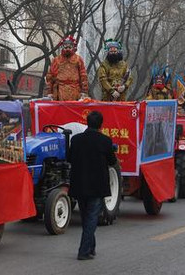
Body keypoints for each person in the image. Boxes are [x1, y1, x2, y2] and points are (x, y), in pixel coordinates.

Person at [68, 111, 117, 260]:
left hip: (79, 184)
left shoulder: (76, 140)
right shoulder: (105, 141)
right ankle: (83, 251)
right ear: (101, 125)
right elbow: (112, 162)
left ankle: (91, 248)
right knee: (91, 219)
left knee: (86, 217)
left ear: (87, 122)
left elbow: (69, 158)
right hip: (96, 186)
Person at [46, 36, 88, 101]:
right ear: (62, 47)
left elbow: (83, 75)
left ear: (73, 47)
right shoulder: (57, 60)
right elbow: (50, 76)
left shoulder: (78, 59)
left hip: (75, 90)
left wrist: (84, 91)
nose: (67, 49)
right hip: (60, 90)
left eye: (69, 47)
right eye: (65, 47)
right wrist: (50, 92)